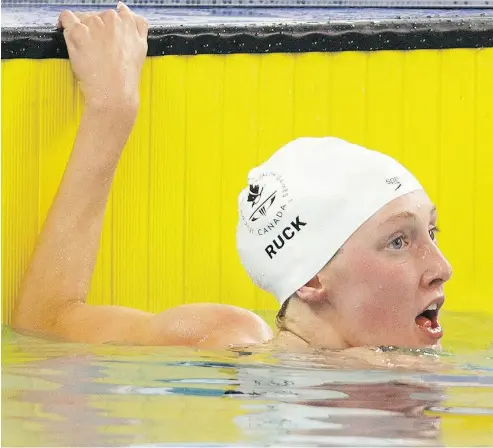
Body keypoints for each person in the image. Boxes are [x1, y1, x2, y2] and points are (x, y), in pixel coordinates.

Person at [12, 4, 452, 351]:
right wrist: (113, 110)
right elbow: (43, 326)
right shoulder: (227, 340)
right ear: (312, 279)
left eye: (431, 232)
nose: (442, 268)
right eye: (399, 241)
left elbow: (45, 328)